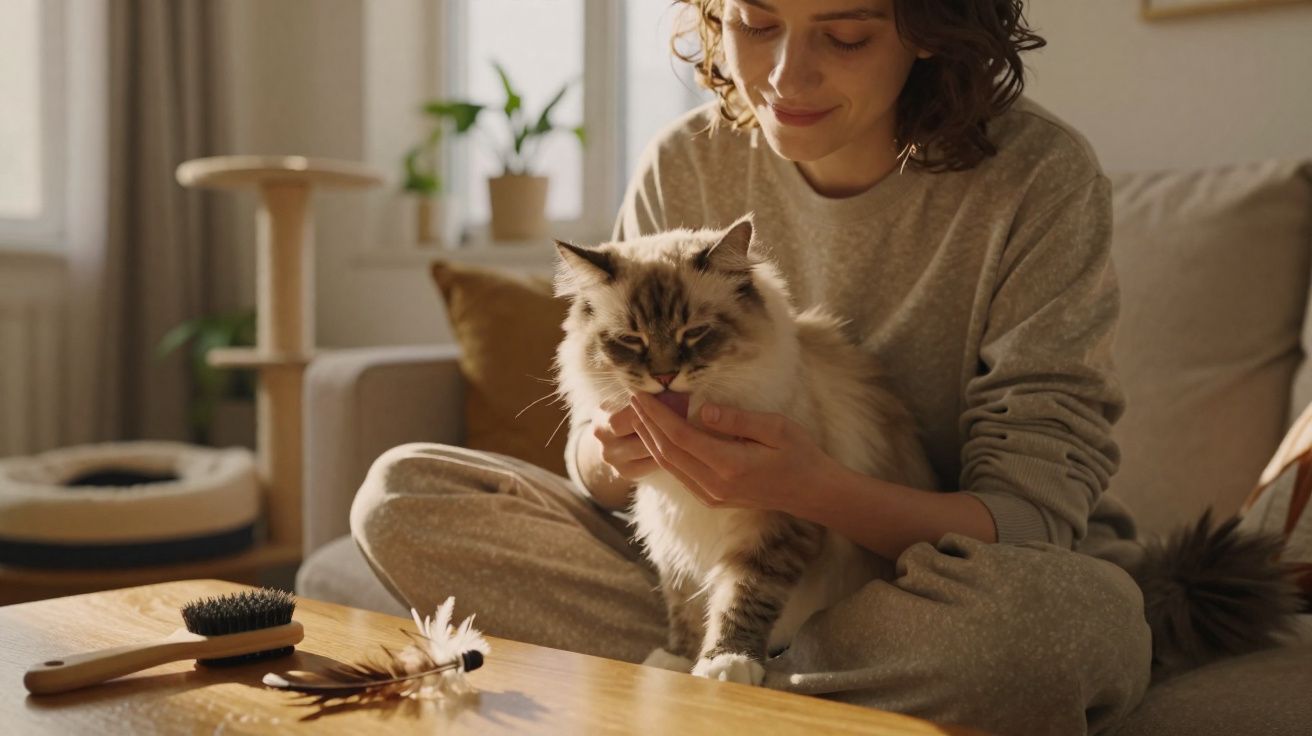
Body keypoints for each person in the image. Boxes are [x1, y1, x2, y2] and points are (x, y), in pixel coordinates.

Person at [352, 1, 1153, 732]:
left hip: (924, 581)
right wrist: (614, 450)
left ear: (929, 29)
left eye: (845, 35)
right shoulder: (684, 159)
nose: (783, 75)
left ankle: (714, 676)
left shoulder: (1040, 178)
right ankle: (749, 678)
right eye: (754, 22)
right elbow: (596, 466)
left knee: (1058, 634)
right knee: (401, 496)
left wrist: (810, 490)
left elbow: (1030, 520)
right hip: (701, 564)